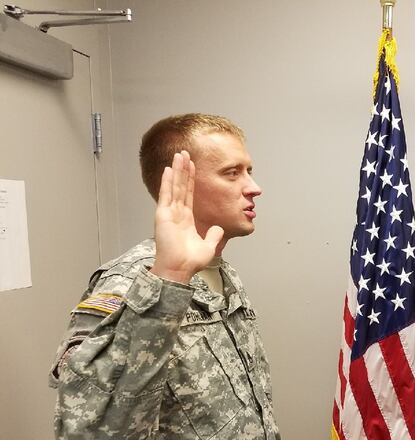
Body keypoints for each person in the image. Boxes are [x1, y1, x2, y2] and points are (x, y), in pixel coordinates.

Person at [49, 114, 280, 439]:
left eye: (249, 171)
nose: (254, 188)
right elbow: (89, 430)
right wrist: (169, 279)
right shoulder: (130, 282)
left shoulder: (221, 271)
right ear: (180, 183)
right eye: (232, 173)